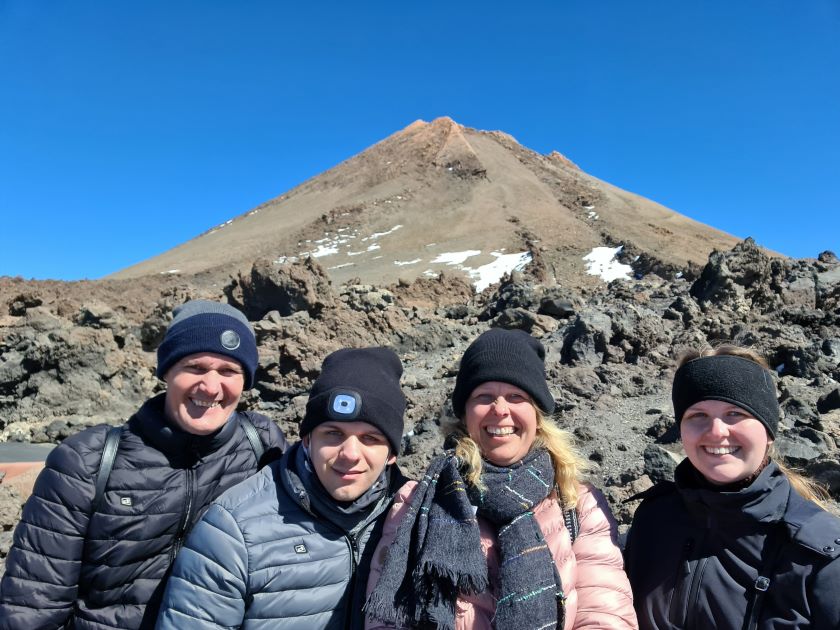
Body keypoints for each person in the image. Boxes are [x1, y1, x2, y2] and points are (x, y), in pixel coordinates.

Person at [0, 300, 288, 630]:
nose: (210, 387)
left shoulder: (263, 446)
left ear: (245, 380)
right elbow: (33, 605)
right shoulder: (87, 461)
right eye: (194, 367)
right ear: (166, 370)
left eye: (228, 371)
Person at [365, 328, 637, 630]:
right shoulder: (417, 502)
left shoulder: (578, 504)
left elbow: (605, 614)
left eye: (516, 396)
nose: (500, 410)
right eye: (484, 397)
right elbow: (388, 619)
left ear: (537, 414)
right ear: (465, 414)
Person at [155, 346, 409, 630]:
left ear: (392, 453)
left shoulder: (418, 520)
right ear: (307, 439)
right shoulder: (234, 530)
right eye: (333, 434)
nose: (350, 453)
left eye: (370, 438)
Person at [624, 346, 840, 629]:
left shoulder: (820, 555)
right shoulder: (653, 519)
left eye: (735, 413)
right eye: (697, 415)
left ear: (769, 431)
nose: (716, 431)